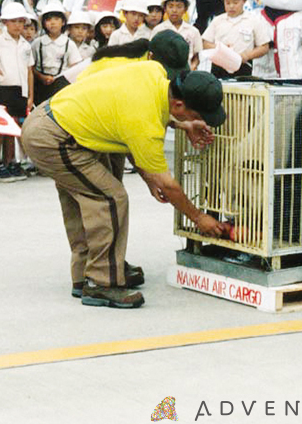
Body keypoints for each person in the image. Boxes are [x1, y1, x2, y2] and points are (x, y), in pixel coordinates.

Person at [21, 62, 226, 308]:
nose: (198, 120)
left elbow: (138, 118)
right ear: (179, 104)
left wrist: (183, 124)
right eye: (197, 116)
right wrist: (198, 218)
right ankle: (101, 283)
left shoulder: (154, 72)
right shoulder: (145, 124)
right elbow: (168, 185)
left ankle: (90, 273)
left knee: (85, 197)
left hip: (58, 119)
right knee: (110, 198)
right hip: (53, 136)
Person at [0, 2, 35, 182]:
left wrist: (30, 95)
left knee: (13, 127)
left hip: (20, 89)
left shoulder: (25, 45)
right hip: (2, 89)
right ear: (5, 22)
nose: (17, 25)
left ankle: (9, 162)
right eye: (13, 21)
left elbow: (29, 70)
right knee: (0, 128)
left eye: (21, 21)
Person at [202, 0, 272, 78]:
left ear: (244, 1)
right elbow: (205, 43)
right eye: (227, 3)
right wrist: (220, 48)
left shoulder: (254, 20)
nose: (231, 6)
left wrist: (247, 55)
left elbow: (264, 47)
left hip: (243, 66)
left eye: (235, 2)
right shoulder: (218, 20)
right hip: (218, 67)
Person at [31, 5, 81, 105]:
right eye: (48, 20)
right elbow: (30, 66)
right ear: (44, 23)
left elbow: (75, 67)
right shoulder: (37, 43)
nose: (53, 23)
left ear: (63, 22)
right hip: (40, 84)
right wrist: (41, 76)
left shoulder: (69, 44)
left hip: (61, 84)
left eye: (57, 19)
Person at [151, 0, 203, 68]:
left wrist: (191, 69)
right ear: (165, 9)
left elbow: (197, 55)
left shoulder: (193, 31)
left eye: (179, 7)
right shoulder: (158, 30)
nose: (174, 10)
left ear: (185, 9)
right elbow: (152, 54)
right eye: (170, 6)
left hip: (186, 73)